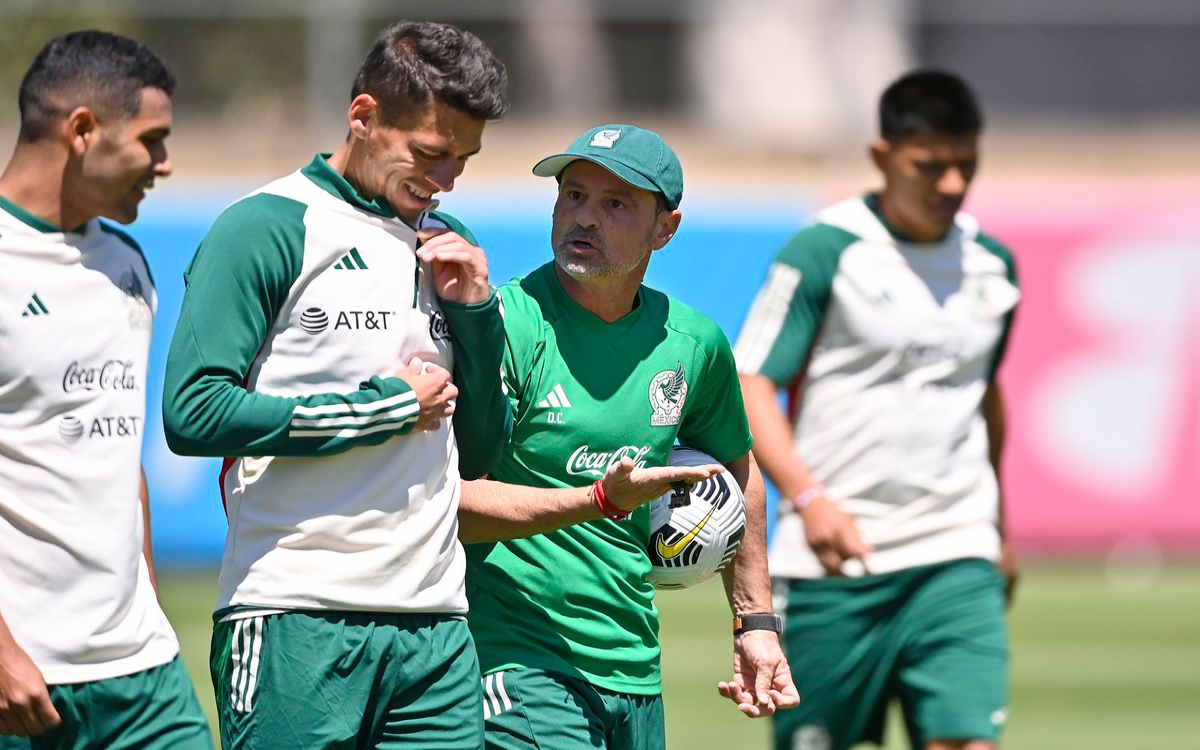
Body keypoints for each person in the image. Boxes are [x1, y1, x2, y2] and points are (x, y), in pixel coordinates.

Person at [161, 21, 510, 749]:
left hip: (436, 629)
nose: (444, 181)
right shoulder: (266, 226)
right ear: (363, 117)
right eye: (430, 155)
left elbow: (478, 455)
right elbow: (192, 411)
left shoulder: (447, 246)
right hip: (294, 613)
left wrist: (477, 314)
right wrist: (381, 409)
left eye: (463, 162)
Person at [457, 124, 800, 750]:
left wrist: (754, 623)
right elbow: (443, 499)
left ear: (664, 229)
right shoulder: (506, 327)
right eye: (573, 196)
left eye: (615, 204)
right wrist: (596, 499)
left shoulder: (692, 345)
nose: (583, 219)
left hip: (634, 667)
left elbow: (739, 472)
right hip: (514, 660)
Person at [734, 69, 1020, 750]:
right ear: (882, 157)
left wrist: (1000, 527)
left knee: (964, 740)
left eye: (966, 165)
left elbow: (986, 395)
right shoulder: (826, 251)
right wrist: (808, 499)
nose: (951, 184)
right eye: (931, 166)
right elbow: (751, 384)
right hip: (836, 561)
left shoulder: (993, 265)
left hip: (956, 548)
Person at [0, 30, 211, 750]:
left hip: (143, 675)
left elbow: (122, 458)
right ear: (82, 131)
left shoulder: (126, 263)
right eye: (151, 140)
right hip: (19, 675)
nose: (165, 163)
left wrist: (148, 608)